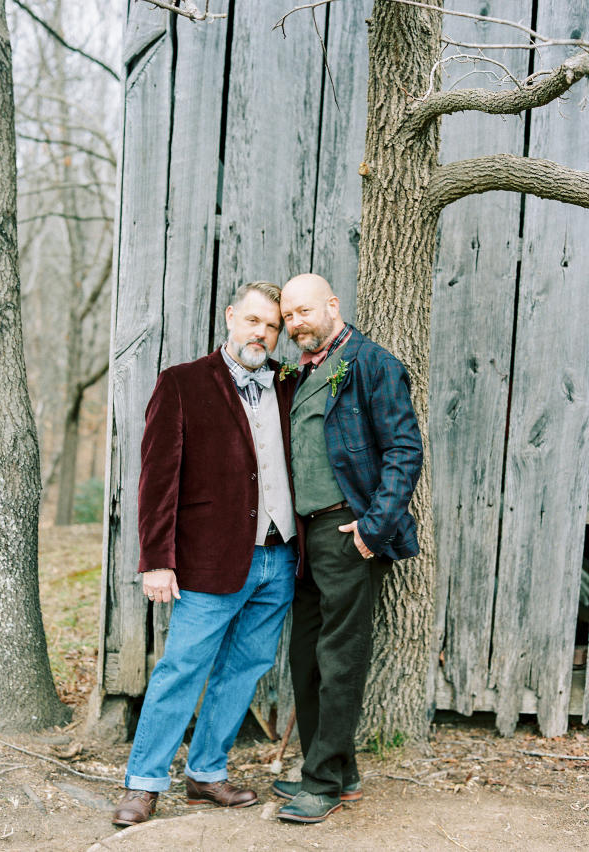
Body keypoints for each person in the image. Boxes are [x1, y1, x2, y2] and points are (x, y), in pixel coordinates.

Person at [112, 282, 303, 827]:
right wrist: (156, 559)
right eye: (252, 321)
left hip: (280, 558)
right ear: (230, 317)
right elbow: (157, 480)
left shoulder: (289, 385)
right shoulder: (182, 383)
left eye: (271, 326)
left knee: (244, 670)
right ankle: (144, 782)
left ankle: (206, 774)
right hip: (210, 560)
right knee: (181, 669)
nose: (261, 333)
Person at [272, 273, 423, 824]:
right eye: (288, 317)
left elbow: (405, 449)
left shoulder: (369, 362)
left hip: (345, 533)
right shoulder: (298, 374)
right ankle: (338, 771)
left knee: (338, 660)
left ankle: (322, 784)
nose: (296, 324)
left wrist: (371, 527)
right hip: (304, 538)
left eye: (305, 311)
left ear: (333, 306)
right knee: (306, 657)